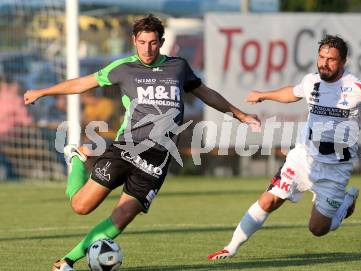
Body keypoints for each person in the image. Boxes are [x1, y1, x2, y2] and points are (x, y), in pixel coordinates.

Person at [24, 14, 260, 271]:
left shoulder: (178, 67)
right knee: (81, 207)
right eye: (142, 42)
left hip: (157, 159)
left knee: (123, 216)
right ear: (134, 41)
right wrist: (43, 91)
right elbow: (83, 83)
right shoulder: (123, 68)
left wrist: (241, 115)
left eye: (153, 43)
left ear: (162, 42)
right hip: (126, 149)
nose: (147, 48)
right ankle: (78, 159)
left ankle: (66, 262)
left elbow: (206, 94)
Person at [207, 35, 361, 260]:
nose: (324, 63)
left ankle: (346, 202)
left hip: (336, 168)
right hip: (303, 158)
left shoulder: (358, 87)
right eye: (321, 57)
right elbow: (292, 93)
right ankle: (231, 247)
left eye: (331, 59)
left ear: (343, 61)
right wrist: (263, 95)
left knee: (317, 229)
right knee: (270, 199)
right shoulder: (312, 81)